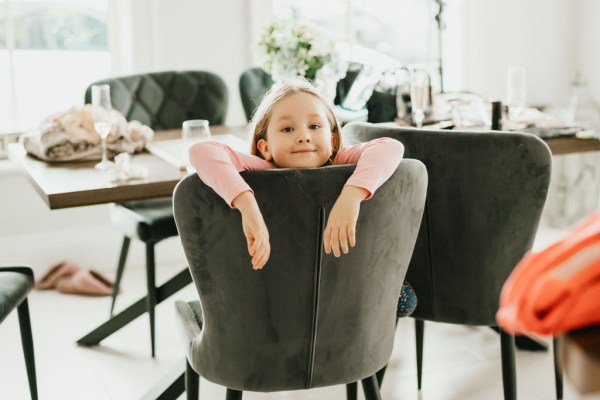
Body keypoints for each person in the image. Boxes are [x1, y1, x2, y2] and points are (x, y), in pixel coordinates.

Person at [189, 77, 416, 315]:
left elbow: (390, 147)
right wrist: (247, 204)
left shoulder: (338, 159)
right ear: (265, 147)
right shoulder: (263, 168)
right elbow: (200, 150)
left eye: (315, 127)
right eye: (287, 129)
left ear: (333, 138)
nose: (304, 136)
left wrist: (351, 196)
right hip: (283, 289)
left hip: (346, 288)